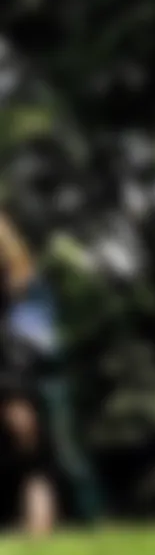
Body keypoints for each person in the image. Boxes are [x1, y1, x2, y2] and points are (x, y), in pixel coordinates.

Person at [0, 212, 54, 535]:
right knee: (30, 455)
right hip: (13, 365)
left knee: (30, 453)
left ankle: (39, 532)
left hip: (10, 367)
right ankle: (37, 532)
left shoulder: (16, 275)